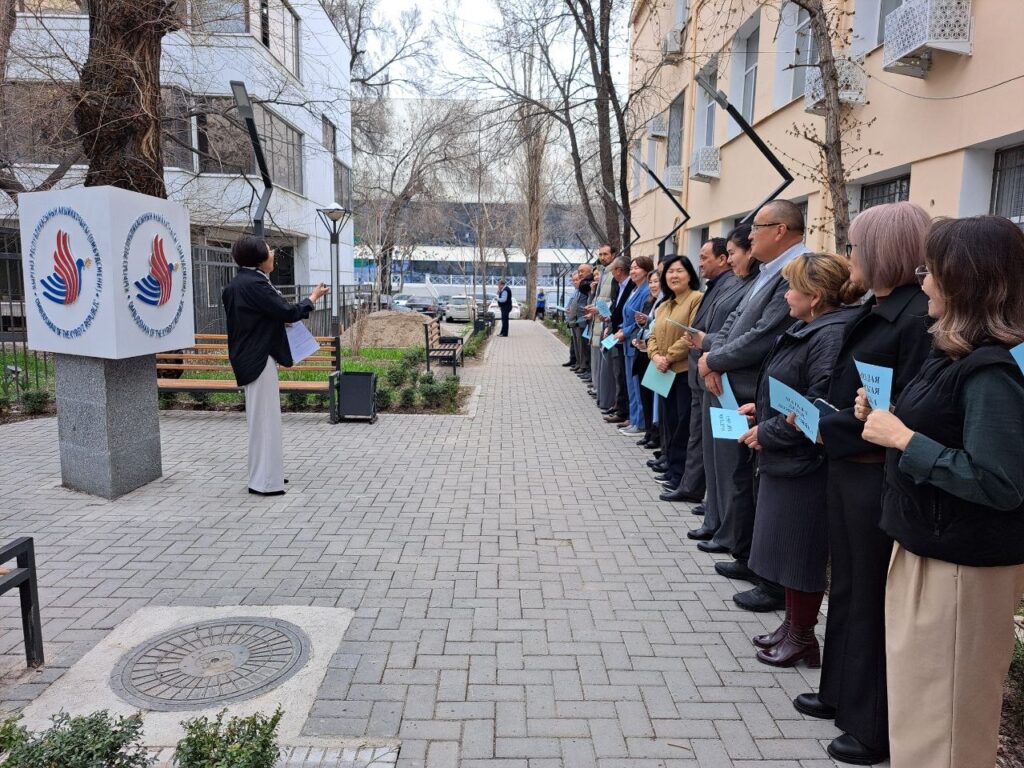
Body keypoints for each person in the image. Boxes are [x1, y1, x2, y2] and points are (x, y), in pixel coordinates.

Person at [854, 215, 1024, 768]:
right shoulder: (952, 352)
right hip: (927, 548)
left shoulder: (992, 370)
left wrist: (903, 438)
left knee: (945, 727)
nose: (922, 281)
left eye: (931, 270)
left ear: (964, 279)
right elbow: (944, 428)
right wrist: (886, 416)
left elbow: (999, 482)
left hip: (962, 568)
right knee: (919, 713)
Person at [793, 201, 933, 767]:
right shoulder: (877, 306)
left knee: (871, 594)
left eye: (856, 246)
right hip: (849, 465)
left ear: (884, 251)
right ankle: (839, 692)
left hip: (875, 469)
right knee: (848, 585)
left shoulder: (916, 317)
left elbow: (906, 408)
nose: (849, 256)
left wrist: (827, 428)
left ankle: (871, 722)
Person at [740, 253, 863, 668]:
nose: (786, 295)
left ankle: (802, 636)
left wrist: (769, 431)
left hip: (806, 462)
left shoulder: (830, 335)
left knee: (801, 553)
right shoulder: (810, 327)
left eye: (793, 288)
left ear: (815, 296)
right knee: (787, 550)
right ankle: (792, 626)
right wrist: (761, 410)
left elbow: (817, 402)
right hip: (789, 457)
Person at [697, 201, 809, 612]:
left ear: (779, 230)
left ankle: (757, 563)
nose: (750, 235)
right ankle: (742, 549)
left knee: (748, 474)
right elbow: (734, 323)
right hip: (731, 382)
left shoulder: (794, 270)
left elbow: (764, 334)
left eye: (757, 227)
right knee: (733, 470)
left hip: (751, 388)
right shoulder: (765, 272)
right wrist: (713, 358)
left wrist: (714, 359)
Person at [221, 236, 329, 496]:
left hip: (250, 357)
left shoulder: (238, 284)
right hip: (258, 359)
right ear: (259, 258)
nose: (273, 254)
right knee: (265, 421)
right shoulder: (255, 284)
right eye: (269, 251)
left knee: (260, 420)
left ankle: (266, 475)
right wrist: (312, 298)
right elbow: (287, 312)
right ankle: (266, 482)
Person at [683, 228, 755, 524]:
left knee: (729, 461)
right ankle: (715, 515)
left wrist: (712, 357)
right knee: (714, 453)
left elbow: (748, 336)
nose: (699, 263)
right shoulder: (734, 283)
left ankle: (725, 524)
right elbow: (726, 329)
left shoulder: (749, 284)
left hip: (731, 381)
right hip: (711, 370)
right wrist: (710, 357)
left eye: (734, 253)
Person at [662, 237, 730, 504]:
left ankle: (699, 491)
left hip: (694, 368)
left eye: (703, 258)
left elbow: (704, 332)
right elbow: (657, 332)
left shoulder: (709, 293)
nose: (700, 263)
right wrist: (655, 353)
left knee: (695, 432)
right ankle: (688, 482)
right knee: (689, 431)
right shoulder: (712, 288)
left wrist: (668, 356)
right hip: (689, 371)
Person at [647, 255, 702, 491]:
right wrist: (655, 356)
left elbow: (690, 335)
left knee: (683, 425)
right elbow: (652, 336)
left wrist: (668, 357)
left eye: (679, 271)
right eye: (669, 272)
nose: (674, 276)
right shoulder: (663, 306)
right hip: (663, 371)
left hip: (682, 372)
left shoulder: (696, 299)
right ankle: (671, 467)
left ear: (690, 274)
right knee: (668, 422)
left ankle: (680, 475)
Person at [616, 256, 653, 436]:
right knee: (631, 385)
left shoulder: (646, 291)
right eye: (631, 268)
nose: (632, 271)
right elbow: (628, 317)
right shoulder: (634, 289)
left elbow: (641, 319)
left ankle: (640, 422)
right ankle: (633, 418)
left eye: (637, 268)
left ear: (646, 270)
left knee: (637, 385)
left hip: (635, 341)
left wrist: (625, 330)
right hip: (627, 342)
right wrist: (621, 328)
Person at [633, 270, 662, 449]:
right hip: (643, 351)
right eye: (650, 282)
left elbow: (659, 327)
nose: (652, 285)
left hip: (655, 354)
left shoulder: (664, 303)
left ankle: (656, 434)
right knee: (645, 394)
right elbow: (647, 326)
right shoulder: (649, 301)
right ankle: (649, 432)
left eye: (656, 281)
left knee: (654, 397)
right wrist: (642, 324)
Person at [587, 245, 618, 409]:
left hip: (607, 325)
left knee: (607, 365)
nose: (602, 257)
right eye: (600, 254)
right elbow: (601, 298)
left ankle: (608, 399)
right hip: (599, 323)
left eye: (605, 254)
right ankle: (601, 394)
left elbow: (613, 302)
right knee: (599, 362)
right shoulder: (603, 272)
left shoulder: (613, 273)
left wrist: (599, 310)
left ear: (613, 255)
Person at [604, 256, 634, 425]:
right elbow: (616, 308)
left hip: (626, 337)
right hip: (617, 334)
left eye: (613, 270)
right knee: (620, 374)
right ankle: (621, 408)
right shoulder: (619, 286)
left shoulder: (632, 286)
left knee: (624, 376)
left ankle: (625, 412)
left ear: (619, 270)